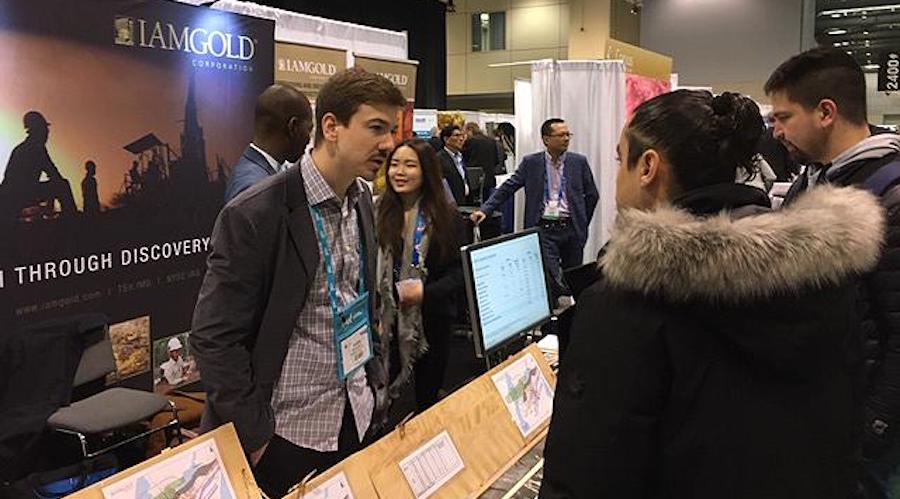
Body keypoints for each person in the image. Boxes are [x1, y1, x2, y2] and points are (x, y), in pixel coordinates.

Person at [540, 90, 883, 499]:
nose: (616, 180)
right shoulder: (824, 278)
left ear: (648, 167)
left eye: (620, 160)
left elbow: (588, 473)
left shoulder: (628, 304)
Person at [191, 68, 406, 498]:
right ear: (331, 126)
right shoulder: (256, 214)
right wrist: (255, 437)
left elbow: (360, 301)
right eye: (376, 128)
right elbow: (214, 337)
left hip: (355, 414)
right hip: (286, 435)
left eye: (392, 130)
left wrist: (375, 383)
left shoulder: (361, 201)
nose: (389, 144)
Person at [765, 47, 900, 498]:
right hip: (822, 417)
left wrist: (873, 428)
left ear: (826, 112)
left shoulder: (890, 194)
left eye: (784, 117)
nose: (776, 131)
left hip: (869, 439)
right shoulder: (812, 181)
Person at [375, 139, 464, 412]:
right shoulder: (376, 211)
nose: (399, 172)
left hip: (431, 322)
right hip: (384, 320)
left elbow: (459, 272)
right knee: (383, 394)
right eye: (394, 164)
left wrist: (425, 293)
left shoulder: (446, 217)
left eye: (410, 165)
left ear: (427, 170)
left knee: (425, 399)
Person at [471, 118, 599, 290]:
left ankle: (573, 305)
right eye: (561, 135)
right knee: (550, 277)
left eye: (568, 135)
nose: (566, 139)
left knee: (573, 277)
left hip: (571, 229)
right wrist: (486, 209)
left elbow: (592, 195)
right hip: (544, 228)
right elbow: (508, 187)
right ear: (546, 139)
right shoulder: (532, 163)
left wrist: (581, 222)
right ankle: (554, 303)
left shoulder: (578, 162)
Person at [224, 84, 313, 202]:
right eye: (308, 129)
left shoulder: (260, 175)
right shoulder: (255, 188)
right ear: (293, 127)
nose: (309, 139)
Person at [0, 111, 77, 220]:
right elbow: (53, 173)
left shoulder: (23, 148)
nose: (47, 135)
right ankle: (73, 220)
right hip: (18, 195)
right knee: (62, 186)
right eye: (45, 131)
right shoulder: (36, 149)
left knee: (58, 185)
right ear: (38, 130)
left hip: (11, 195)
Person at [462, 122, 500, 203]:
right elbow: (496, 160)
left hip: (473, 178)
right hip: (489, 177)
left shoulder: (470, 141)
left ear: (470, 130)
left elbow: (464, 158)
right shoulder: (491, 141)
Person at [437, 124, 472, 206]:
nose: (461, 139)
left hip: (464, 202)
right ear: (446, 139)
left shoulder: (460, 157)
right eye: (456, 135)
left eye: (462, 136)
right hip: (449, 205)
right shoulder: (439, 159)